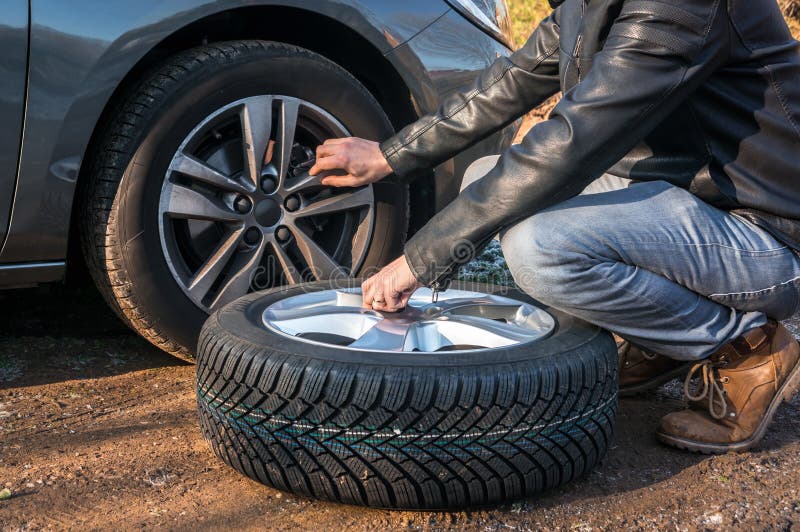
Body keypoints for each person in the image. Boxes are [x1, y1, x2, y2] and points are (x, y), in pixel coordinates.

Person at [308, 0, 800, 454]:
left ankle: (744, 347)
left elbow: (570, 143)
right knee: (486, 180)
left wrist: (420, 259)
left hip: (766, 230)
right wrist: (389, 155)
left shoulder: (680, 5)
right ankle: (666, 338)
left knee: (540, 248)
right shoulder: (586, 4)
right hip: (691, 203)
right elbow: (508, 83)